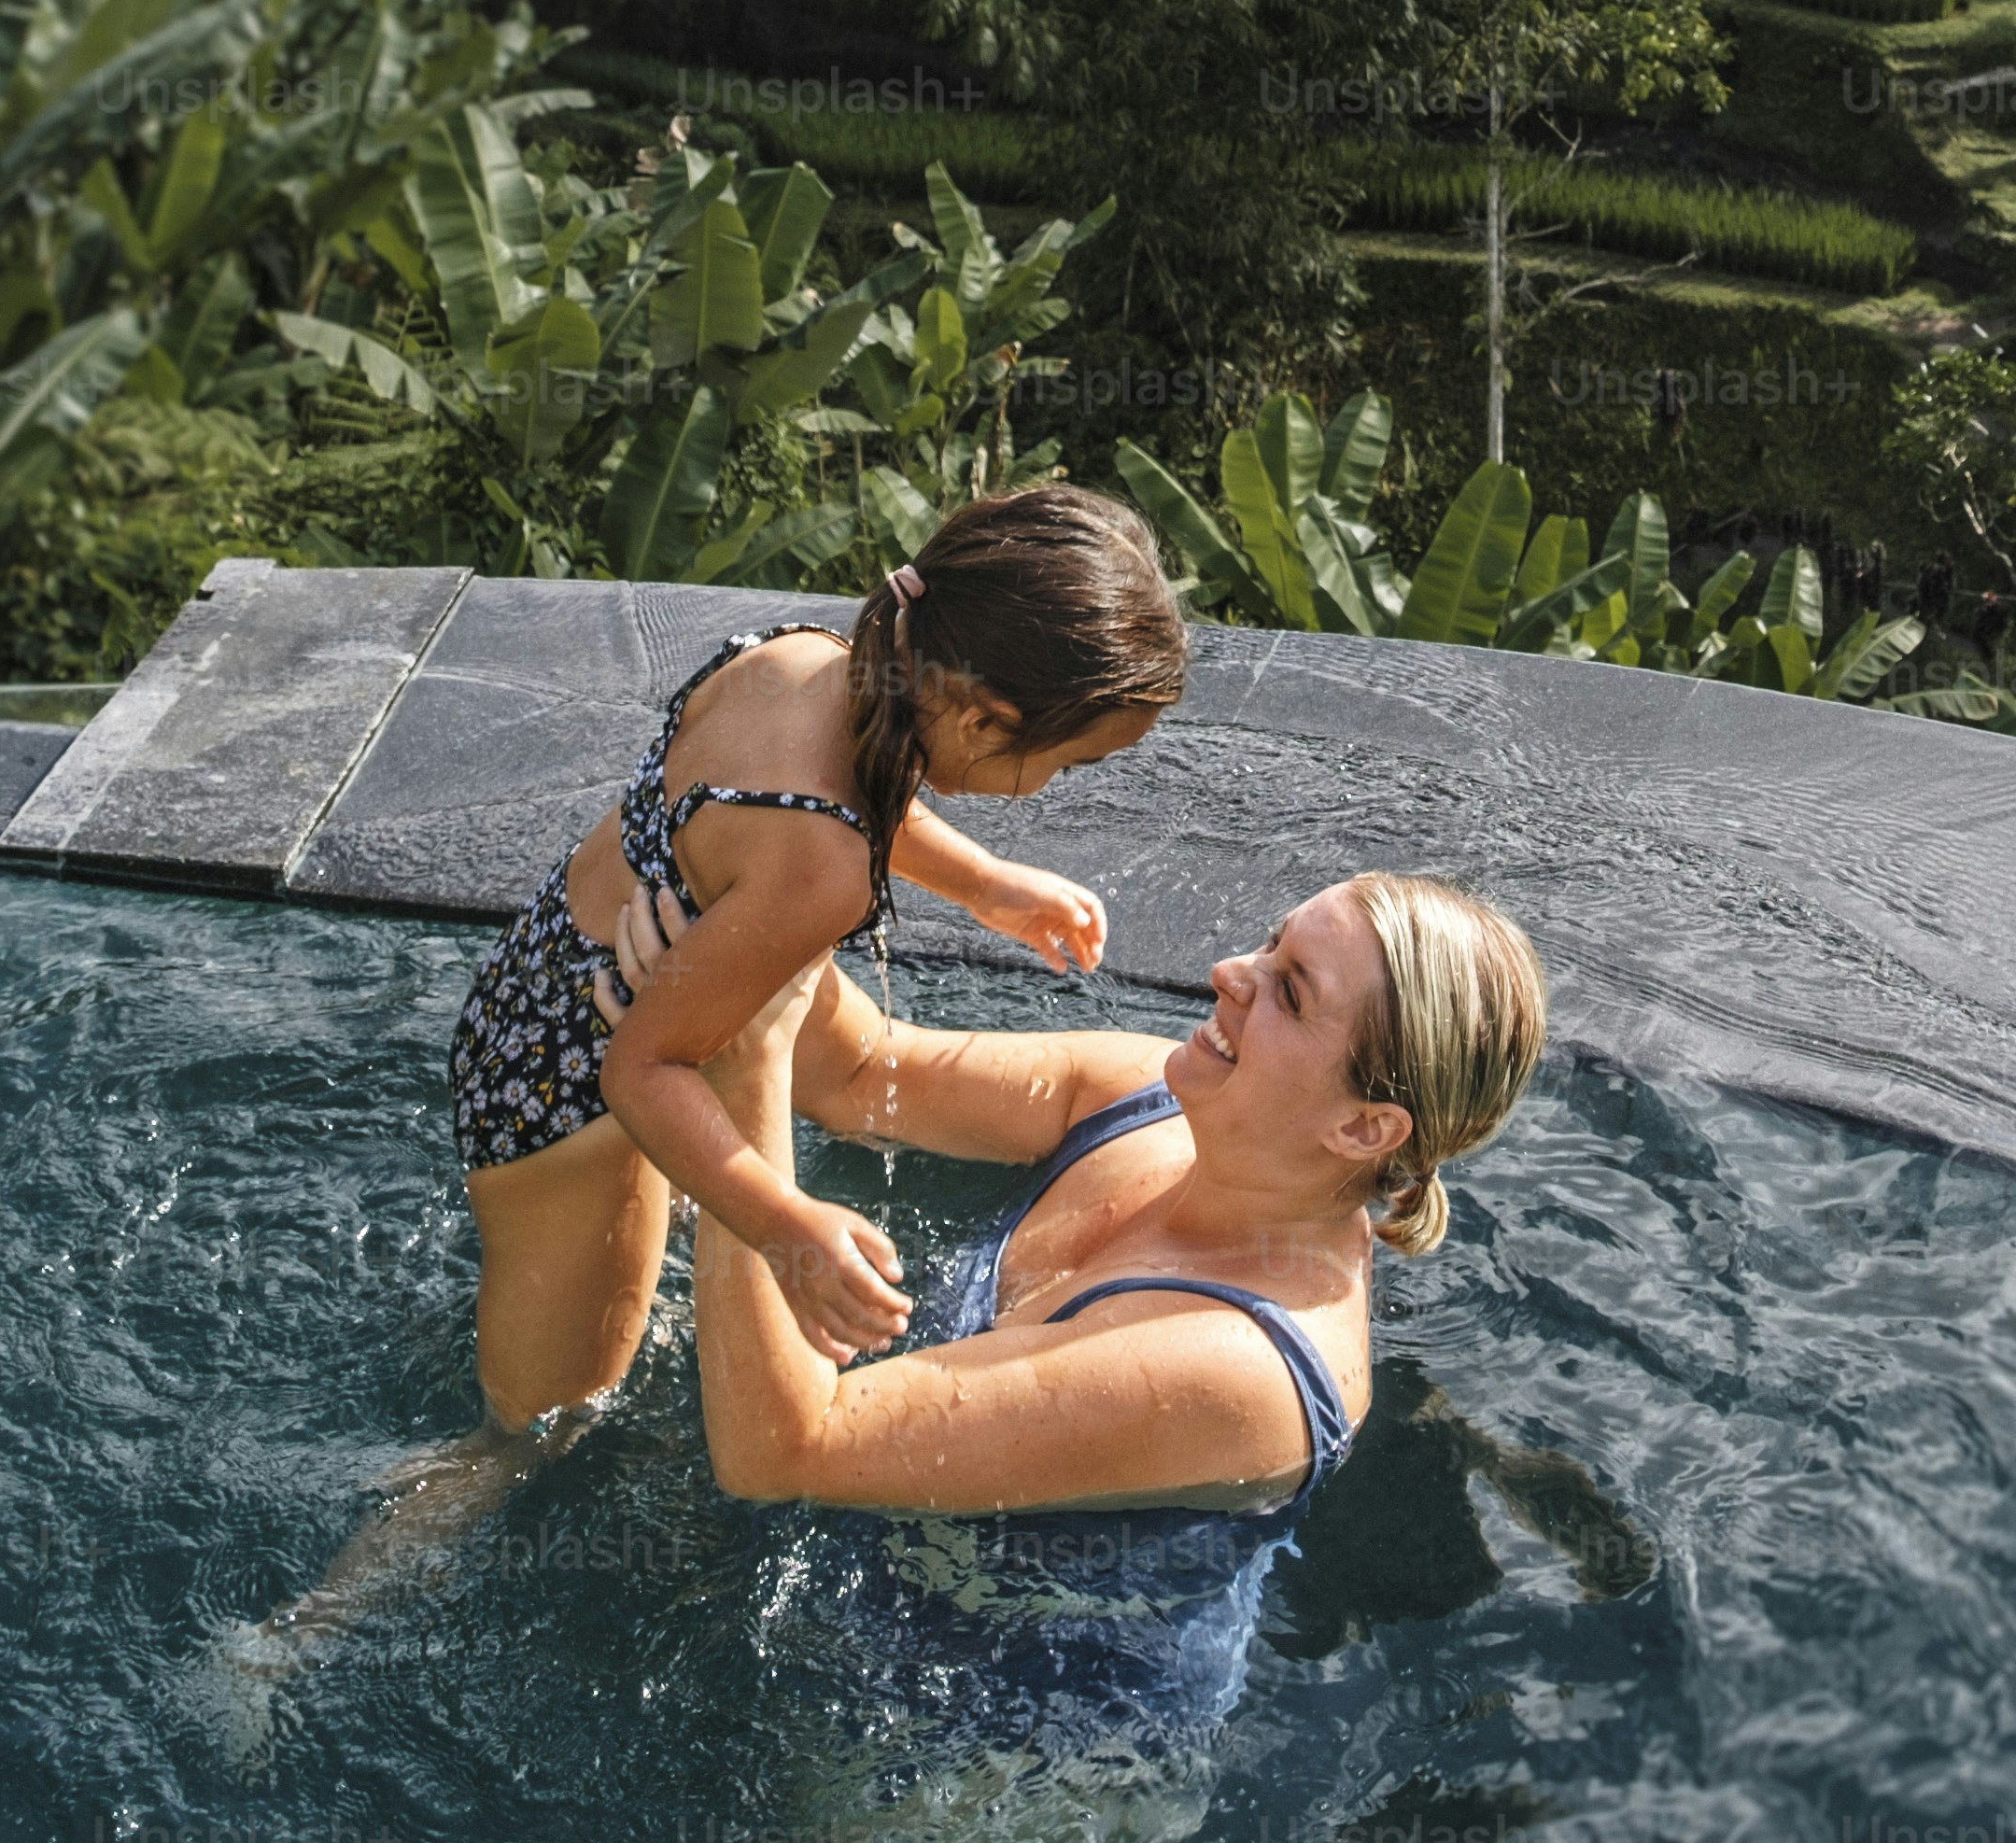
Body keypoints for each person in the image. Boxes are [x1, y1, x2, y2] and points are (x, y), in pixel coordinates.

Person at [278, 482, 1191, 1653]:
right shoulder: (821, 874)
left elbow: (858, 788)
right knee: (541, 1427)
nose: (1051, 789)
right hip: (566, 1104)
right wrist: (787, 1224)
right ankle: (296, 1635)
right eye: (1061, 764)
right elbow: (643, 1071)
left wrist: (990, 886)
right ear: (980, 719)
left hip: (538, 979)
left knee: (838, 1080)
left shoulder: (817, 659)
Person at [681, 869, 1550, 1760]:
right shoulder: (1155, 1093)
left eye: (1288, 992)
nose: (1228, 972)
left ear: (1368, 1129)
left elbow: (781, 1449)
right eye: (1270, 939)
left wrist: (739, 1070)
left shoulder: (1236, 1368)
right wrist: (746, 886)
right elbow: (860, 1071)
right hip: (874, 1575)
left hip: (1004, 1743)